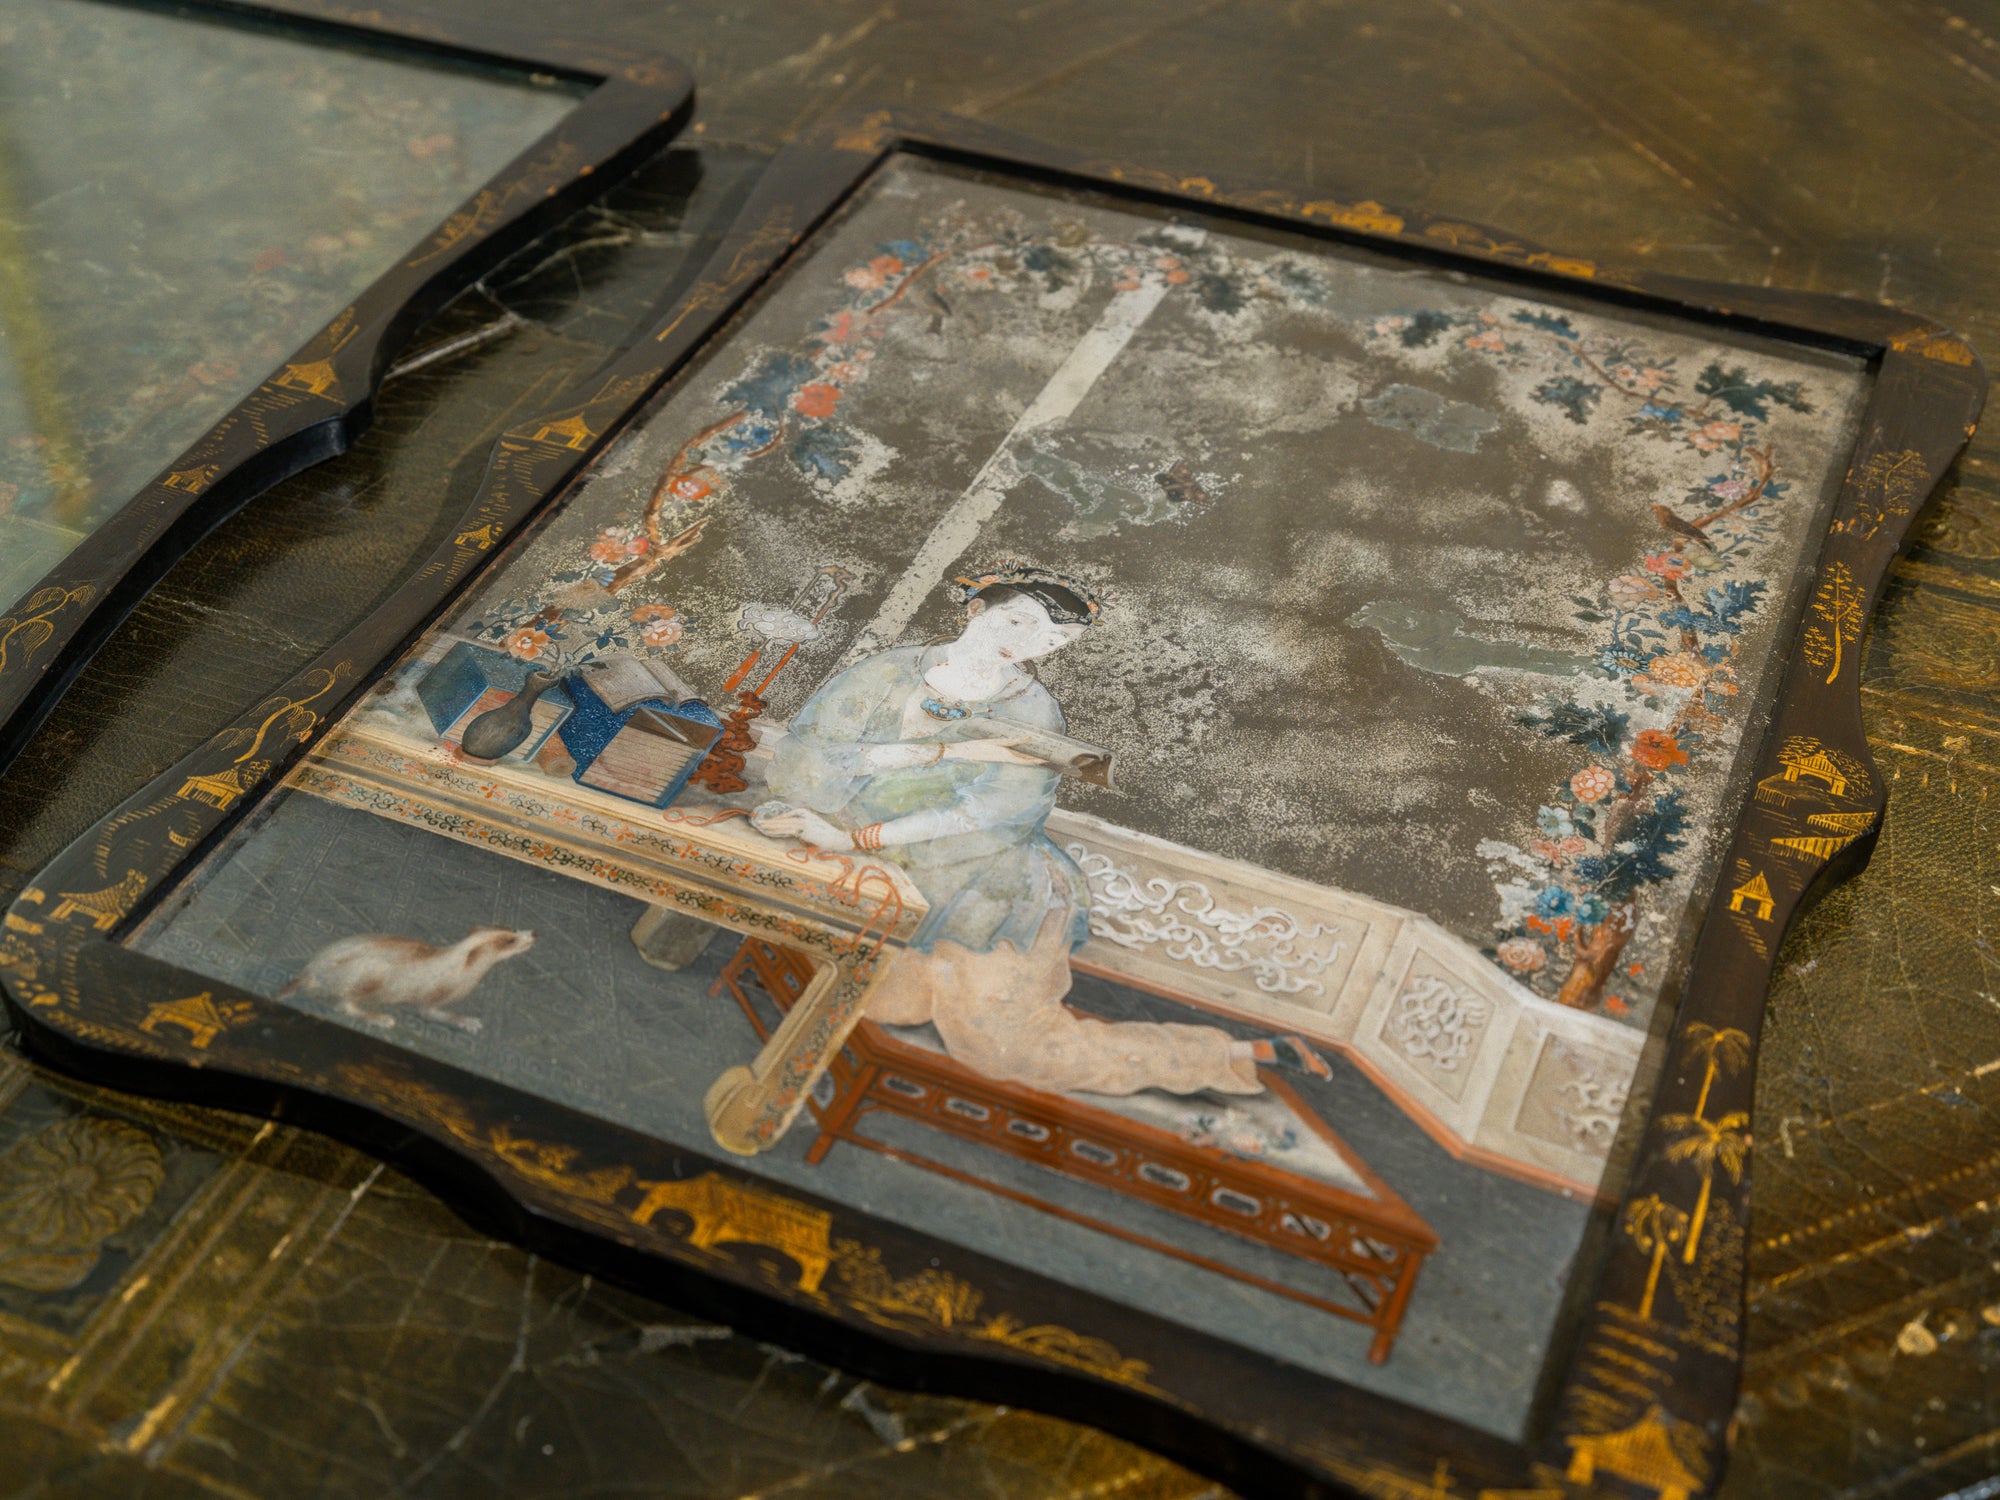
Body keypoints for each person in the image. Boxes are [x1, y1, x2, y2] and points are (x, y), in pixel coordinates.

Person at [752, 566, 1330, 1098]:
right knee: (874, 1000)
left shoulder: (1032, 711)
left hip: (986, 884)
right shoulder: (886, 671)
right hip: (878, 865)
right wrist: (946, 753)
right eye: (1019, 622)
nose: (1028, 645)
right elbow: (807, 759)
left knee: (1005, 1048)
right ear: (976, 608)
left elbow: (992, 813)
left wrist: (856, 839)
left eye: (1052, 641)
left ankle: (1235, 1054)